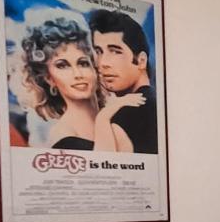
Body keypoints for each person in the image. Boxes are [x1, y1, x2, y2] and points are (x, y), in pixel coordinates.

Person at [18, 10, 143, 151]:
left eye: (83, 63)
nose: (77, 74)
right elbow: (105, 163)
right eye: (62, 66)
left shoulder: (119, 116)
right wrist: (103, 119)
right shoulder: (62, 134)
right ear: (49, 78)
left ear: (95, 67)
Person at [88, 10, 158, 154]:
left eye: (115, 51)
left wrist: (102, 118)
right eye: (99, 52)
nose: (102, 63)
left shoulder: (127, 113)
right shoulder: (155, 103)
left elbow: (104, 166)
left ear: (141, 60)